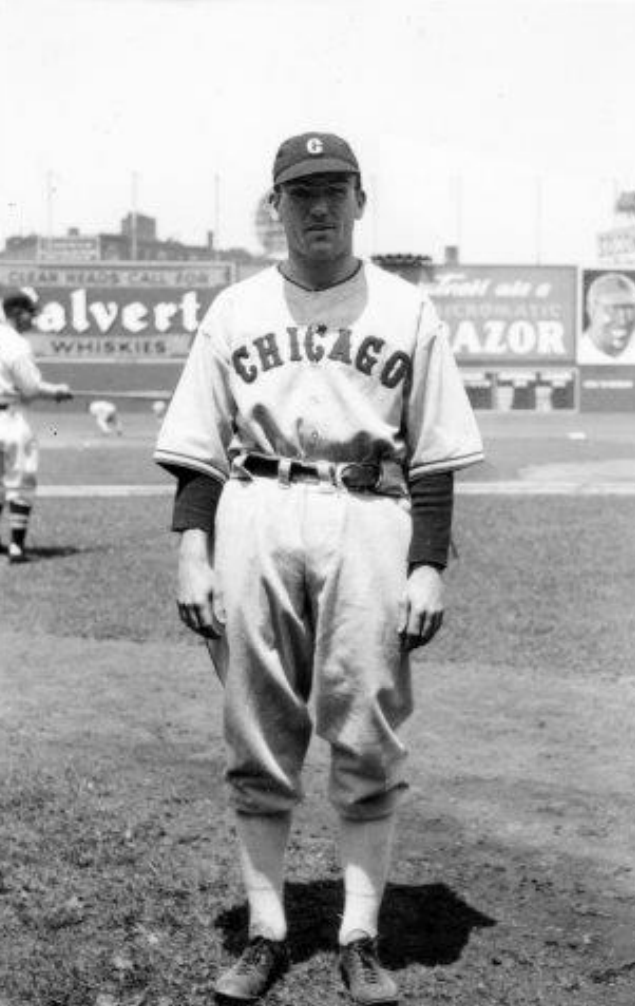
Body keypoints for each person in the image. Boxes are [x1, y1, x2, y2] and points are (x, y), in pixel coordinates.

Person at [154, 132, 484, 1004]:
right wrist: (192, 548)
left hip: (369, 512)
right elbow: (198, 447)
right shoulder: (235, 309)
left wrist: (427, 566)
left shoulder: (408, 309)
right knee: (255, 728)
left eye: (335, 190)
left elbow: (437, 456)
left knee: (367, 723)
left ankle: (359, 934)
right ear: (277, 208)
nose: (319, 207)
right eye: (301, 193)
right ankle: (266, 933)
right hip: (253, 508)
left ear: (361, 201)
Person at [0, 287, 72, 563]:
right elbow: (30, 388)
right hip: (11, 417)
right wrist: (57, 391)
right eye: (31, 313)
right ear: (18, 314)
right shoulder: (17, 344)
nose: (33, 319)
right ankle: (17, 547)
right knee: (21, 478)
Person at [580, 272, 635, 364]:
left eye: (630, 308)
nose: (623, 320)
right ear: (591, 310)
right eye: (613, 309)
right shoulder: (579, 352)